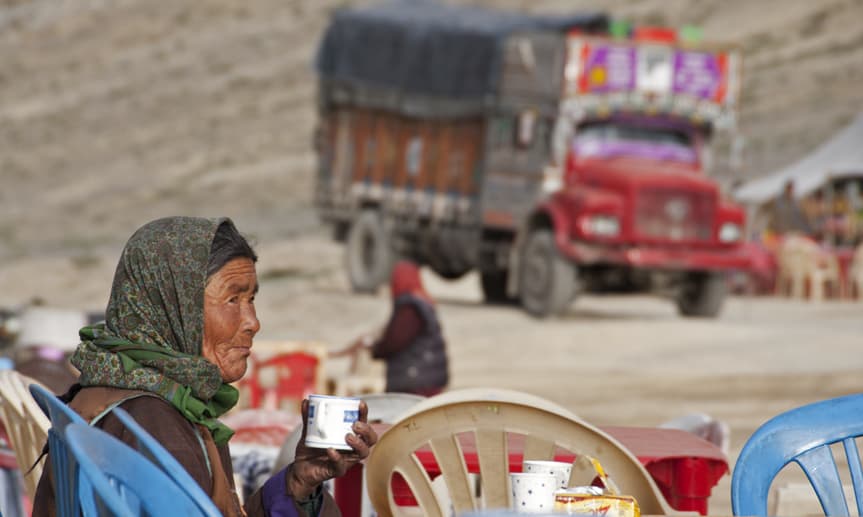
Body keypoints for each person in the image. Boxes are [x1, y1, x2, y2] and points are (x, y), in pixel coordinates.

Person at [32, 216, 377, 517]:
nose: (252, 322)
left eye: (251, 298)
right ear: (173, 306)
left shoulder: (124, 395)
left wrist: (298, 483)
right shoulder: (153, 425)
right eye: (232, 299)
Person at [352, 260, 448, 397]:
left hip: (416, 381)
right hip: (427, 377)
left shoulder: (410, 308)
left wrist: (375, 348)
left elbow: (395, 341)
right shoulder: (421, 300)